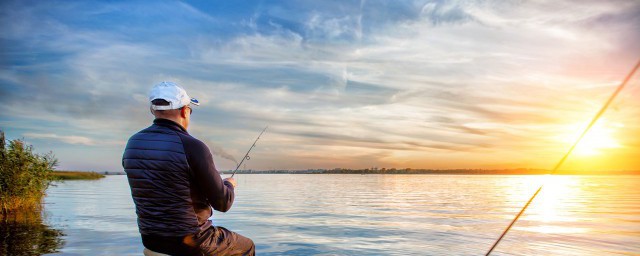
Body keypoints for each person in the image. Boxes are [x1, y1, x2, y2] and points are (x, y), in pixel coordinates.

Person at [122, 81, 255, 256]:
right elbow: (223, 203)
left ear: (153, 110)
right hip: (191, 241)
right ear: (185, 110)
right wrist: (229, 185)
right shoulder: (193, 146)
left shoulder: (133, 143)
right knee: (247, 246)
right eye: (190, 110)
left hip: (150, 238)